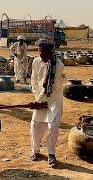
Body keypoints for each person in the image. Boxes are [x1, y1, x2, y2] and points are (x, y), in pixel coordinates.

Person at [30, 38, 64, 168]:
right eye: (39, 51)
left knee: (53, 126)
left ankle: (51, 154)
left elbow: (52, 85)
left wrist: (39, 101)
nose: (40, 54)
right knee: (35, 125)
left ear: (50, 52)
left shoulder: (58, 65)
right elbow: (34, 80)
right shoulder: (36, 62)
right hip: (39, 97)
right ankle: (35, 151)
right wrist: (37, 99)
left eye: (43, 52)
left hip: (54, 99)